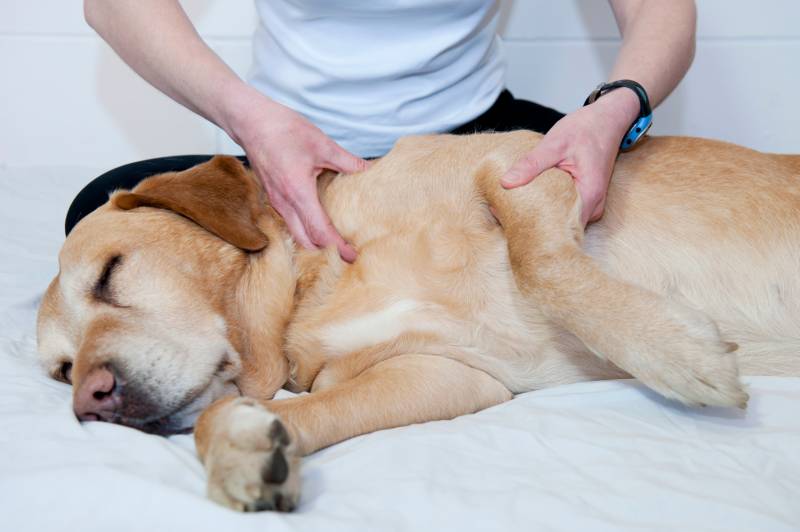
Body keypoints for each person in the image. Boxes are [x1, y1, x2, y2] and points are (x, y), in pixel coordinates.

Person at [68, 0, 696, 262]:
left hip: (470, 147)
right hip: (286, 155)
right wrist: (247, 115)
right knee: (101, 220)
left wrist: (615, 108)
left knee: (656, 215)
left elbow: (659, 9)